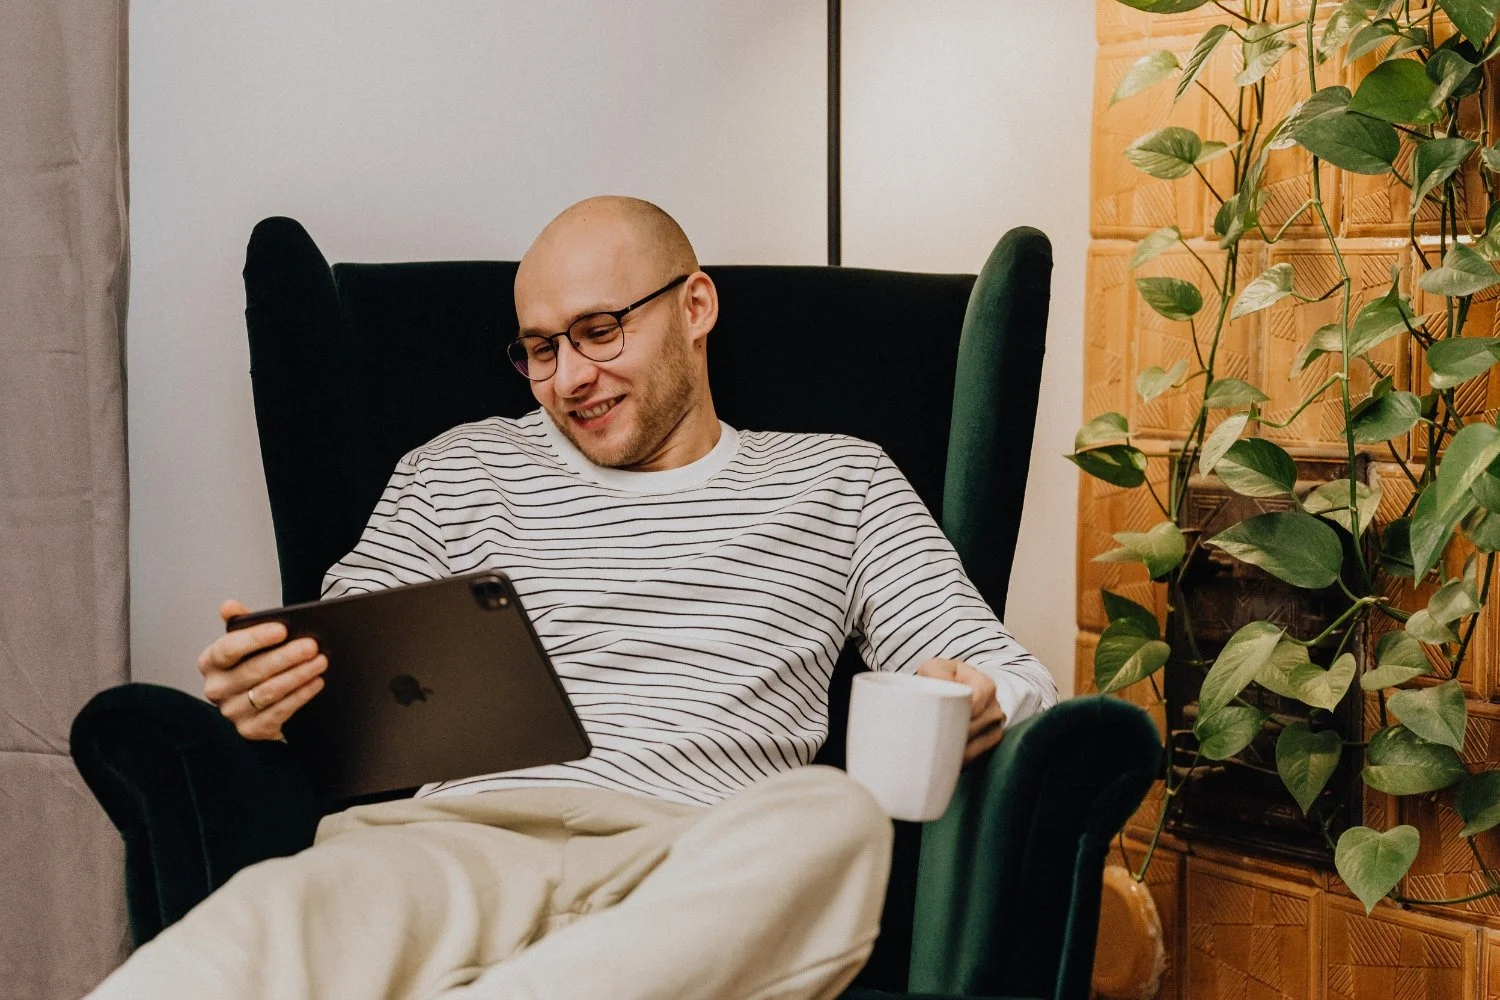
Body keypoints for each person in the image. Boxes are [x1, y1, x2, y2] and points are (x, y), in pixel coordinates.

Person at [88, 196, 1058, 1000]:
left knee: (835, 819)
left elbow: (1008, 673)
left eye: (600, 331)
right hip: (452, 849)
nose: (571, 379)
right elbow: (339, 655)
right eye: (540, 349)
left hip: (698, 860)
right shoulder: (456, 470)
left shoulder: (840, 482)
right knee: (266, 920)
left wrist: (979, 697)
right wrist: (271, 689)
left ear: (695, 306)